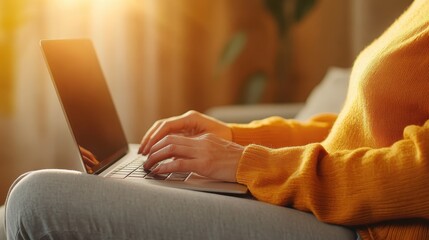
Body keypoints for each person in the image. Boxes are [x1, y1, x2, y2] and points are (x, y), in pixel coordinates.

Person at [4, 0, 429, 239]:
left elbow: (419, 172)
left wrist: (247, 164)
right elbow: (356, 128)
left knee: (35, 199)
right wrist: (235, 139)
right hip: (323, 201)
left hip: (368, 228)